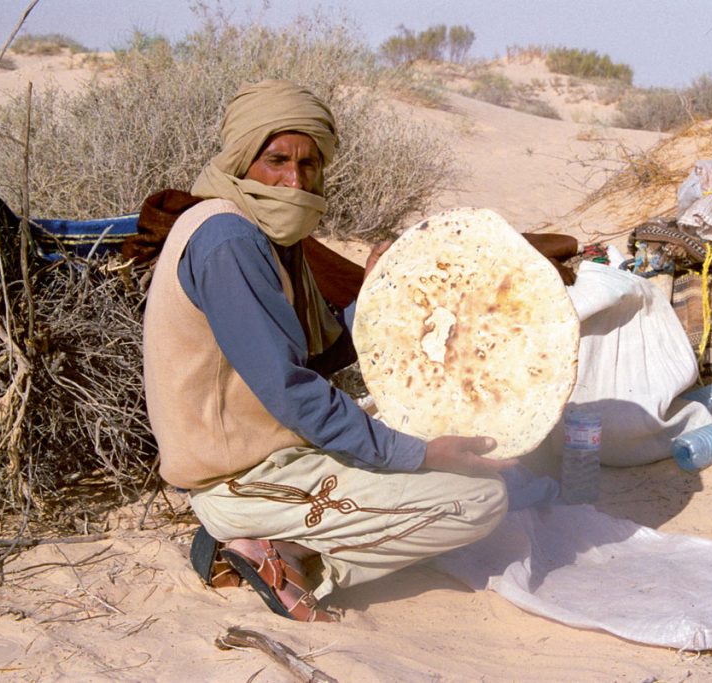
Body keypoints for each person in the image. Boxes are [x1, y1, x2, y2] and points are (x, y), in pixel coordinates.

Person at [143, 79, 512, 623]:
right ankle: (288, 557)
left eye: (308, 165)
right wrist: (420, 454)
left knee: (410, 430)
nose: (293, 181)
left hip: (263, 459)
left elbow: (309, 356)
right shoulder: (229, 241)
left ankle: (258, 539)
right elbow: (291, 390)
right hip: (241, 475)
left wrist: (378, 297)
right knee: (481, 500)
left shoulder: (254, 231)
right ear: (244, 159)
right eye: (276, 161)